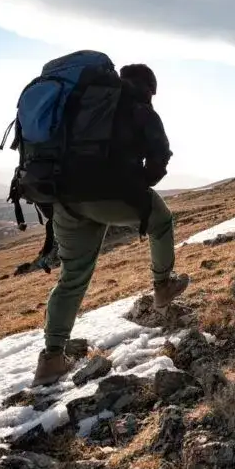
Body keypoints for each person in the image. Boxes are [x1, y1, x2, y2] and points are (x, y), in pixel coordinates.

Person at [32, 63, 189, 387]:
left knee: (72, 277)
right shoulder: (140, 107)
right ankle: (162, 286)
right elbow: (159, 156)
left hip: (66, 199)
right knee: (161, 222)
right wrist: (137, 185)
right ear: (149, 87)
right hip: (110, 194)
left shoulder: (83, 106)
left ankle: (51, 358)